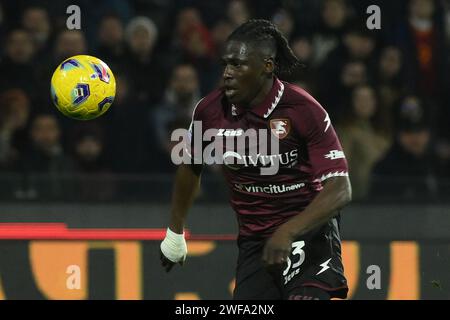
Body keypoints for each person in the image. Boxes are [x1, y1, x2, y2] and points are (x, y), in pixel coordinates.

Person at [160, 20, 352, 300]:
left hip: (309, 234)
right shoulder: (210, 111)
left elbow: (340, 188)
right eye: (226, 64)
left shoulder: (302, 109)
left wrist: (288, 231)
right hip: (255, 242)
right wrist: (175, 232)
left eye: (238, 65)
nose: (227, 73)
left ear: (267, 66)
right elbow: (190, 166)